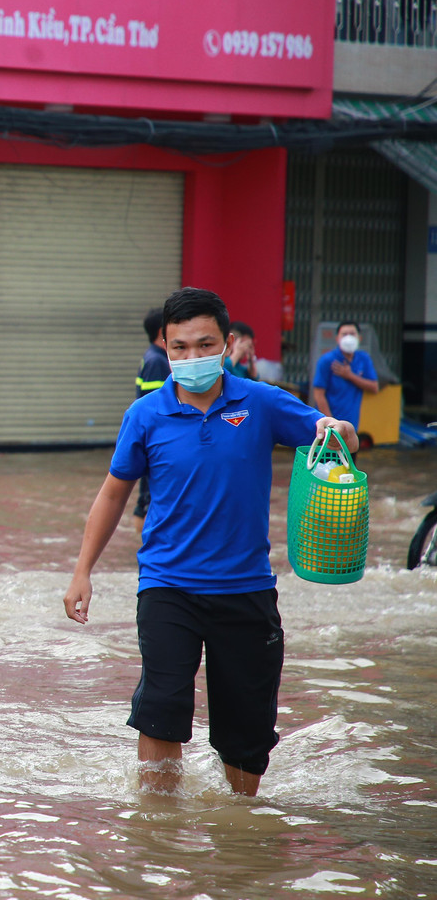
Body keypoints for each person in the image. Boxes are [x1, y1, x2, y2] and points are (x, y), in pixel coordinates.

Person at [63, 287, 358, 797]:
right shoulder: (146, 414)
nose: (192, 357)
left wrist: (342, 430)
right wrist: (81, 570)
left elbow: (336, 439)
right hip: (167, 587)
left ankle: (239, 840)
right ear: (166, 346)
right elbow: (113, 495)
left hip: (245, 589)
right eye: (180, 347)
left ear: (227, 345)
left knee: (246, 735)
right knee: (160, 710)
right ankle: (157, 835)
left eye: (205, 345)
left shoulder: (260, 401)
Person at [132, 309, 170, 524]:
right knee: (147, 498)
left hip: (152, 439)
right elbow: (155, 405)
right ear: (161, 332)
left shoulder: (154, 357)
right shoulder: (157, 361)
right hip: (155, 440)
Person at [311, 320, 378, 432]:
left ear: (359, 338)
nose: (349, 338)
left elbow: (374, 387)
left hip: (351, 426)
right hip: (329, 426)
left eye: (352, 334)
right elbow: (318, 394)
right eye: (344, 334)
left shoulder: (363, 359)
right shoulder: (327, 360)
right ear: (337, 338)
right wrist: (331, 423)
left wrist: (350, 376)